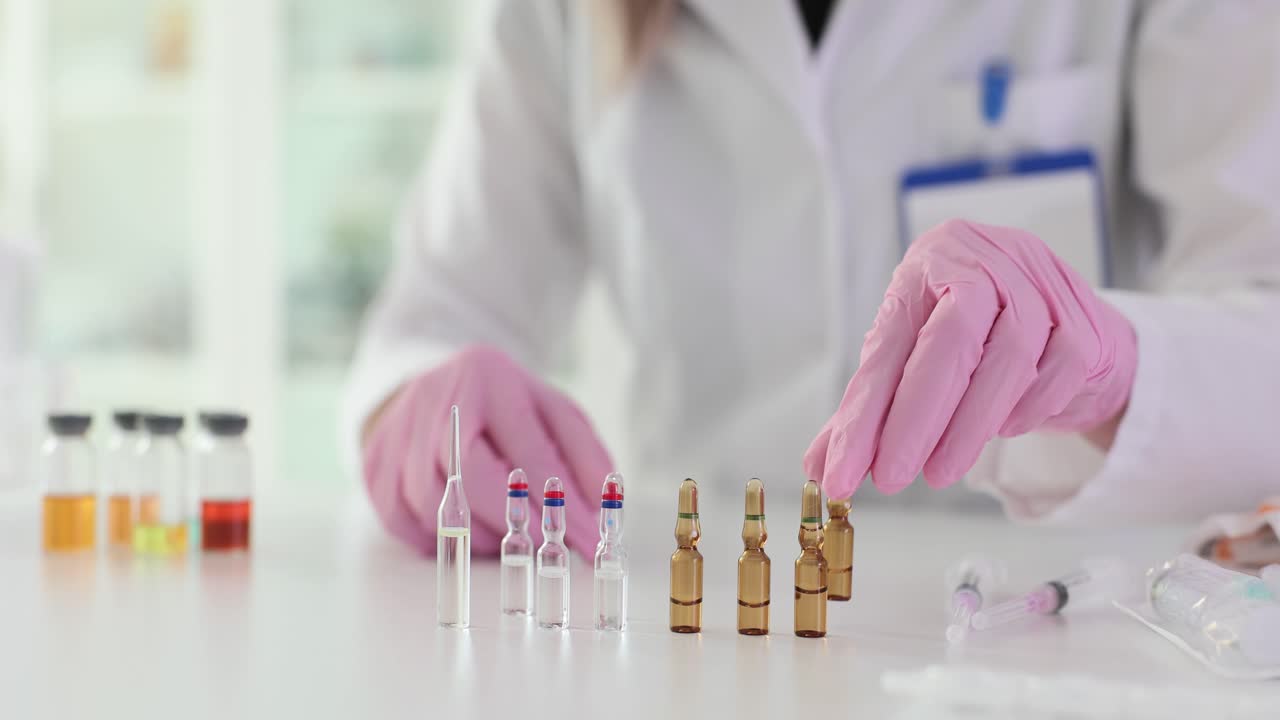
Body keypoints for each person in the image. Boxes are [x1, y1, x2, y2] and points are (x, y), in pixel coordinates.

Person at [344, 0, 1280, 556]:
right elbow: (434, 316)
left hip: (1051, 608)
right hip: (695, 608)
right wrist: (418, 405)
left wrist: (1114, 366)